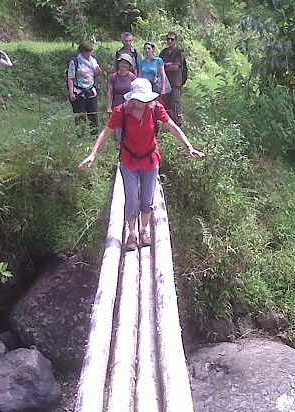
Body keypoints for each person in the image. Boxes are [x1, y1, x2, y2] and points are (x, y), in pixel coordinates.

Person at [79, 78, 204, 251]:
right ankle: (132, 234)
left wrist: (189, 147)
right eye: (138, 100)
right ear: (132, 98)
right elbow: (106, 132)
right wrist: (93, 153)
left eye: (144, 100)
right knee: (132, 199)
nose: (141, 103)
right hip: (128, 160)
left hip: (150, 159)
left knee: (147, 199)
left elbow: (173, 127)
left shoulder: (155, 109)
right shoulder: (121, 111)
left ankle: (144, 231)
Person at [68, 41, 103, 136]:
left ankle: (95, 136)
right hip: (79, 92)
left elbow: (94, 76)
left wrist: (98, 73)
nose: (89, 54)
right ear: (82, 52)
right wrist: (71, 93)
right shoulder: (75, 62)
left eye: (90, 52)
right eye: (88, 53)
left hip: (91, 91)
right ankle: (81, 137)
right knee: (80, 117)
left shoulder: (93, 61)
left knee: (93, 116)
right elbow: (71, 78)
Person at [107, 53, 137, 148]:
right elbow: (109, 92)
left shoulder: (132, 77)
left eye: (126, 63)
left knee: (129, 127)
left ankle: (128, 148)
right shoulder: (114, 77)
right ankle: (118, 151)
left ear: (129, 65)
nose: (123, 65)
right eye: (122, 63)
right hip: (117, 105)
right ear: (118, 64)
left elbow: (136, 91)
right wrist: (109, 107)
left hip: (129, 106)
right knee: (117, 128)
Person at [159, 31, 185, 126]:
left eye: (172, 39)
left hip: (175, 82)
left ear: (176, 41)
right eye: (168, 39)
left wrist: (164, 67)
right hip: (164, 81)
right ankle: (169, 123)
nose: (170, 41)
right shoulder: (163, 52)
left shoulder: (179, 52)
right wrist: (167, 65)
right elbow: (158, 65)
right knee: (165, 102)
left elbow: (175, 67)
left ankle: (178, 122)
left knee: (175, 102)